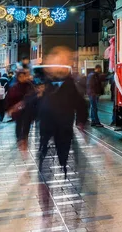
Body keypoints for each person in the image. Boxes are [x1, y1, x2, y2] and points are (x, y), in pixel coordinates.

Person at [37, 46, 88, 178]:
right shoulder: (43, 83)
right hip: (47, 124)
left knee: (64, 147)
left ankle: (64, 165)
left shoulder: (69, 84)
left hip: (65, 123)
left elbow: (80, 102)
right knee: (44, 148)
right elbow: (34, 103)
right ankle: (44, 172)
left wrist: (81, 120)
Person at [5, 70, 34, 150]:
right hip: (18, 112)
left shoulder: (30, 86)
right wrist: (9, 109)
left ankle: (24, 140)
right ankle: (19, 140)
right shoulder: (14, 87)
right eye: (20, 77)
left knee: (26, 127)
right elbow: (9, 98)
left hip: (28, 111)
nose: (22, 78)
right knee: (19, 125)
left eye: (24, 76)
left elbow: (34, 97)